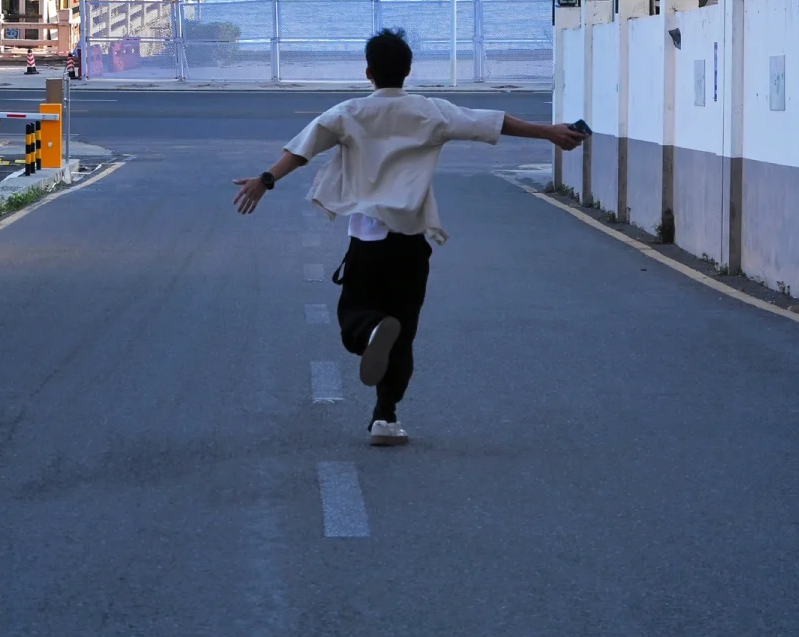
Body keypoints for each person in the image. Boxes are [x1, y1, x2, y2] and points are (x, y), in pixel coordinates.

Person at [233, 28, 588, 447]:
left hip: (367, 239)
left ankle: (370, 333)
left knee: (355, 317)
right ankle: (385, 417)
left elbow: (303, 149)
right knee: (403, 331)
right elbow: (491, 122)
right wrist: (549, 131)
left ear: (369, 72)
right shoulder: (430, 111)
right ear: (409, 71)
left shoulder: (349, 112)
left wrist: (265, 180)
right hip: (411, 243)